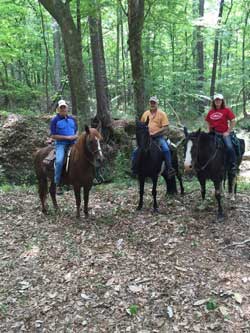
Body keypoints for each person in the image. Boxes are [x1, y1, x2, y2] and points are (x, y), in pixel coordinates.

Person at [132, 96, 175, 177]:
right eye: (151, 102)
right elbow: (142, 125)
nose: (152, 104)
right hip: (146, 138)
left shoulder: (162, 114)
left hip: (158, 137)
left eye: (154, 103)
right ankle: (134, 168)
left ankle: (169, 168)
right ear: (149, 103)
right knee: (135, 151)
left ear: (157, 104)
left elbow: (165, 127)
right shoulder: (145, 114)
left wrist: (155, 132)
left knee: (166, 149)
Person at [50, 100, 78, 194]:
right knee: (59, 161)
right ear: (58, 109)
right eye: (61, 107)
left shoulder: (72, 119)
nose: (63, 109)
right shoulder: (55, 120)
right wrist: (67, 137)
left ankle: (93, 177)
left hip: (73, 143)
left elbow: (76, 131)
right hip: (61, 144)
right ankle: (57, 184)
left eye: (64, 107)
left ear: (67, 108)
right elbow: (53, 136)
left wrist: (75, 136)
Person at [205, 93, 237, 174]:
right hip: (213, 133)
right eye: (216, 100)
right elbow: (208, 121)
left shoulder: (226, 110)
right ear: (214, 101)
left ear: (222, 101)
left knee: (229, 147)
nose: (218, 101)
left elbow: (233, 121)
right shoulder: (211, 111)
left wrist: (228, 131)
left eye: (219, 100)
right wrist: (208, 130)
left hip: (224, 133)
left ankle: (233, 164)